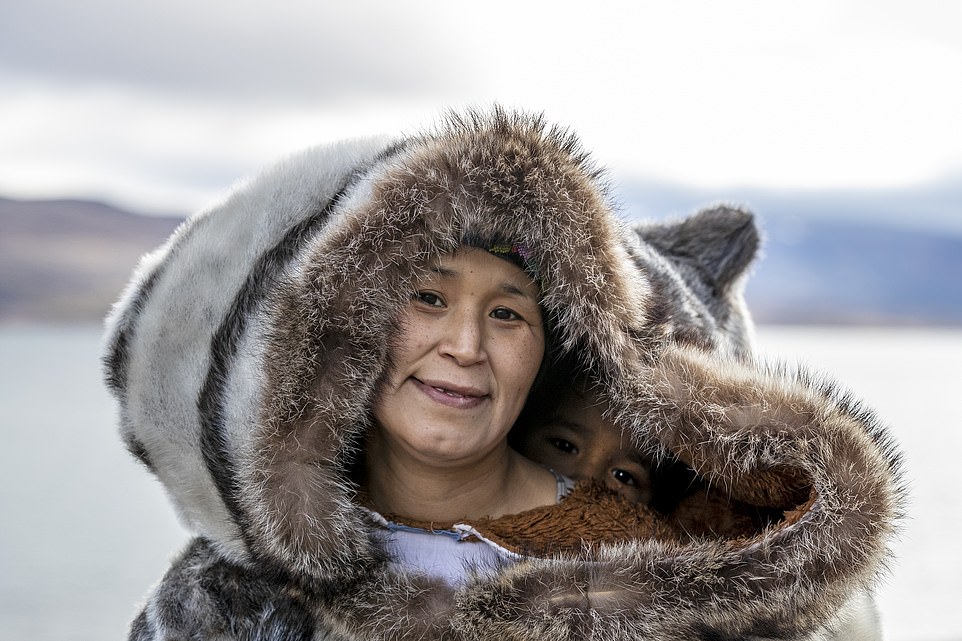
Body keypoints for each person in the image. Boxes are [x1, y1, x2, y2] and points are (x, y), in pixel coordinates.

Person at [104, 107, 903, 640]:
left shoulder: (642, 563)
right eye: (427, 295)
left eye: (509, 311)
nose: (465, 343)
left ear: (540, 352)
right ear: (349, 327)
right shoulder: (228, 597)